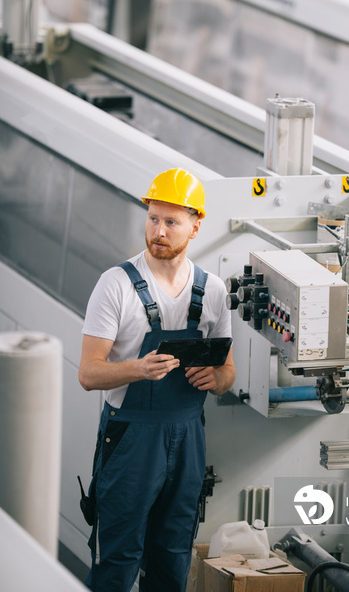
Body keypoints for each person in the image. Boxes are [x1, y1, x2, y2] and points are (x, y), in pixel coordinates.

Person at [78, 168, 235, 592]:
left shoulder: (213, 291)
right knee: (117, 559)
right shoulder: (115, 286)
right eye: (152, 218)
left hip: (188, 438)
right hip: (130, 439)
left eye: (171, 222)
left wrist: (215, 377)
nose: (158, 231)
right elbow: (88, 373)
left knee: (172, 558)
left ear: (195, 227)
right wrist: (137, 368)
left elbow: (228, 371)